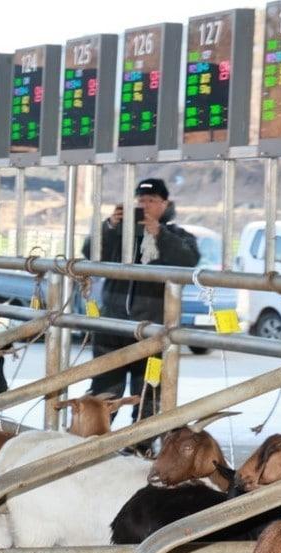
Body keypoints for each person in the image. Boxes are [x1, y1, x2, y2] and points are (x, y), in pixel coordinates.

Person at [83, 177, 199, 428]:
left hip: (153, 332)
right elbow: (89, 252)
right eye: (140, 200)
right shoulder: (121, 235)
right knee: (103, 389)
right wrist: (110, 226)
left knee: (149, 391)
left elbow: (188, 260)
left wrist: (159, 233)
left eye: (151, 200)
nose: (145, 205)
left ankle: (140, 446)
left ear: (164, 204)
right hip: (112, 329)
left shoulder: (177, 236)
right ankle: (92, 444)